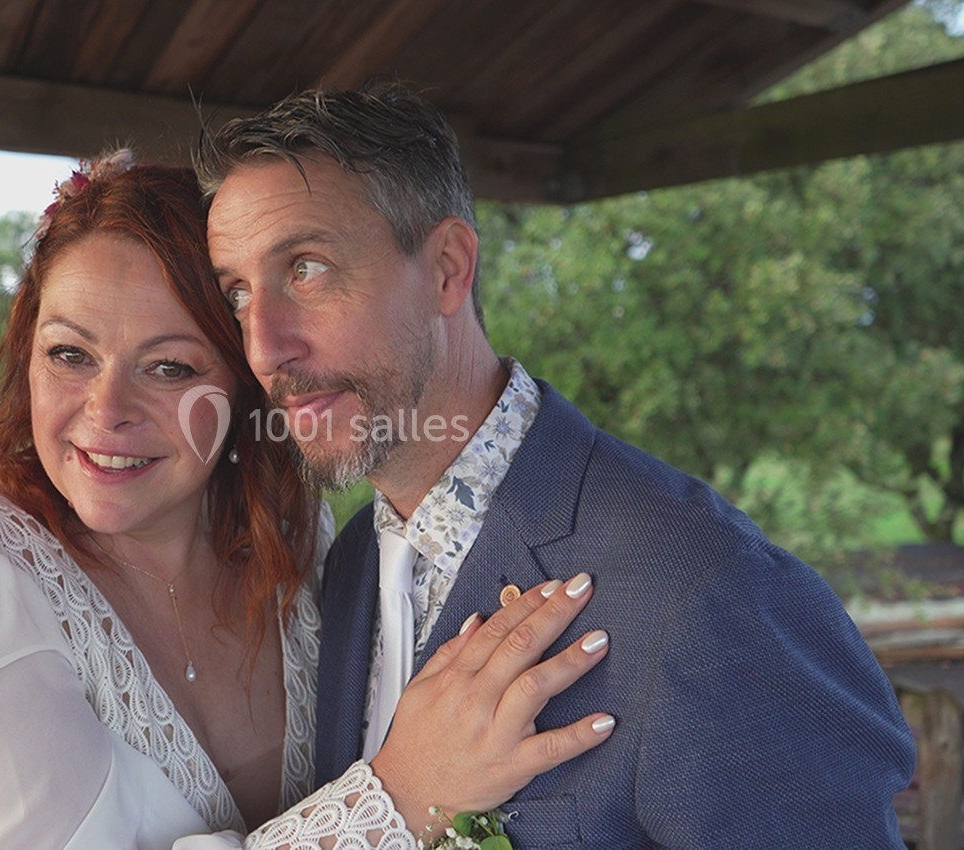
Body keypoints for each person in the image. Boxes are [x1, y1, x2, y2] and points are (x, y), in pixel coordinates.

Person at [197, 80, 918, 847]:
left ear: (446, 268)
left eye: (307, 268)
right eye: (239, 294)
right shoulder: (347, 568)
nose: (265, 347)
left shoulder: (710, 593)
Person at [0, 150, 617, 849]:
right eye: (70, 354)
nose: (106, 411)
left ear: (242, 385)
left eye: (170, 367)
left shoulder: (293, 541)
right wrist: (401, 796)